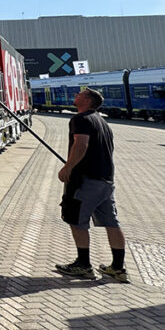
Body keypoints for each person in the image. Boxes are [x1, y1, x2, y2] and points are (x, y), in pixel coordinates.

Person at [55, 88, 129, 283]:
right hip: (106, 181)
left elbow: (81, 144)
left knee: (76, 221)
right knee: (112, 223)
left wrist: (68, 167)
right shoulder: (102, 121)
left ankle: (83, 265)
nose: (75, 95)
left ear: (86, 100)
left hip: (86, 181)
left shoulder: (80, 119)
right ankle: (118, 268)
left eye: (79, 94)